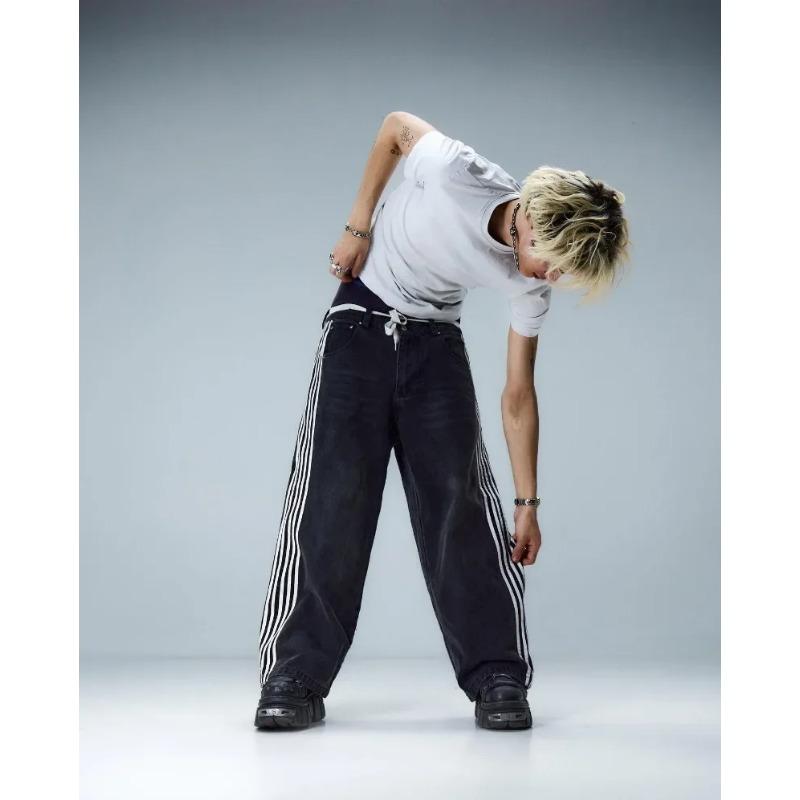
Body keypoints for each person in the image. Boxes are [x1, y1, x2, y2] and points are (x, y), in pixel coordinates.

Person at [254, 111, 630, 731]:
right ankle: (294, 676)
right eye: (555, 261)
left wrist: (528, 504)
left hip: (435, 346)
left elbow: (518, 394)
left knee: (461, 505)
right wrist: (357, 226)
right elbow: (396, 127)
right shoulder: (456, 170)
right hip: (359, 324)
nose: (553, 278)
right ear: (533, 221)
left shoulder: (529, 286)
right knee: (331, 501)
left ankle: (497, 674)